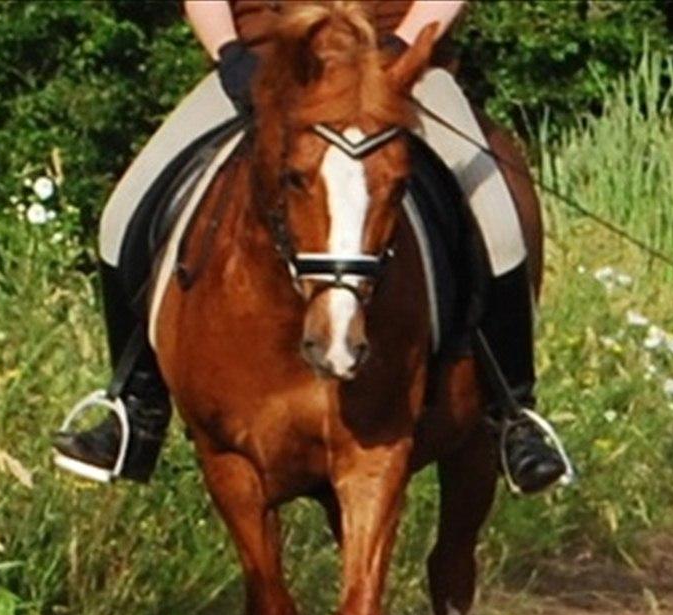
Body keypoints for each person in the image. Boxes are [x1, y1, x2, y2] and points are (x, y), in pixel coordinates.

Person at [53, 0, 569, 494]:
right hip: (268, 65)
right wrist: (229, 55)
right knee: (122, 214)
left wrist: (399, 49)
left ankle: (511, 414)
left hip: (393, 67)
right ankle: (136, 409)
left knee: (499, 224)